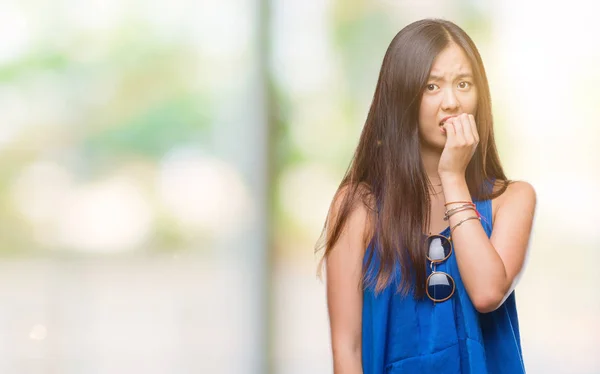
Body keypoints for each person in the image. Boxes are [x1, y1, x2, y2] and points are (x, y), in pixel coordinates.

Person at [315, 18, 537, 374]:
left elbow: (486, 293)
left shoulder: (513, 199)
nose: (451, 102)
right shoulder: (358, 207)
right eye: (432, 86)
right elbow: (347, 352)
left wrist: (452, 176)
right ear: (403, 96)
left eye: (463, 84)